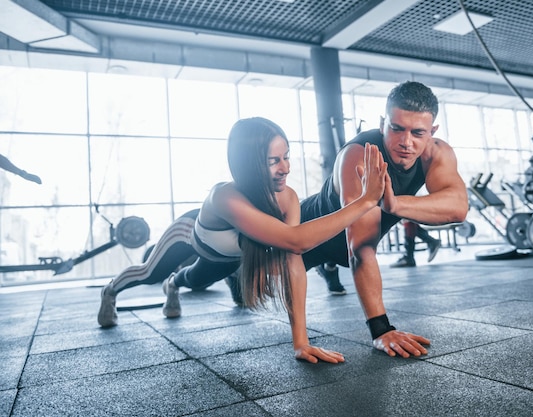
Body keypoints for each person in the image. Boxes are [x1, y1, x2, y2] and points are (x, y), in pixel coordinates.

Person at [98, 117, 388, 364]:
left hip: (227, 259)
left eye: (286, 156)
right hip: (188, 237)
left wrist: (301, 342)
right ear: (248, 164)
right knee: (150, 273)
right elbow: (296, 240)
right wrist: (363, 203)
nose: (285, 168)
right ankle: (110, 291)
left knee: (194, 279)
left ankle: (173, 285)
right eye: (274, 161)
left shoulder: (287, 199)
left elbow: (293, 260)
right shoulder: (224, 196)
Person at [300, 81, 468, 358]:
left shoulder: (436, 153)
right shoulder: (360, 156)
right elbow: (361, 249)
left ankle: (329, 267)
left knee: (340, 253)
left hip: (345, 242)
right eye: (397, 128)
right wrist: (381, 329)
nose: (406, 141)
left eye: (418, 132)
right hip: (306, 234)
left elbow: (458, 207)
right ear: (382, 124)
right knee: (254, 283)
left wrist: (394, 203)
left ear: (432, 132)